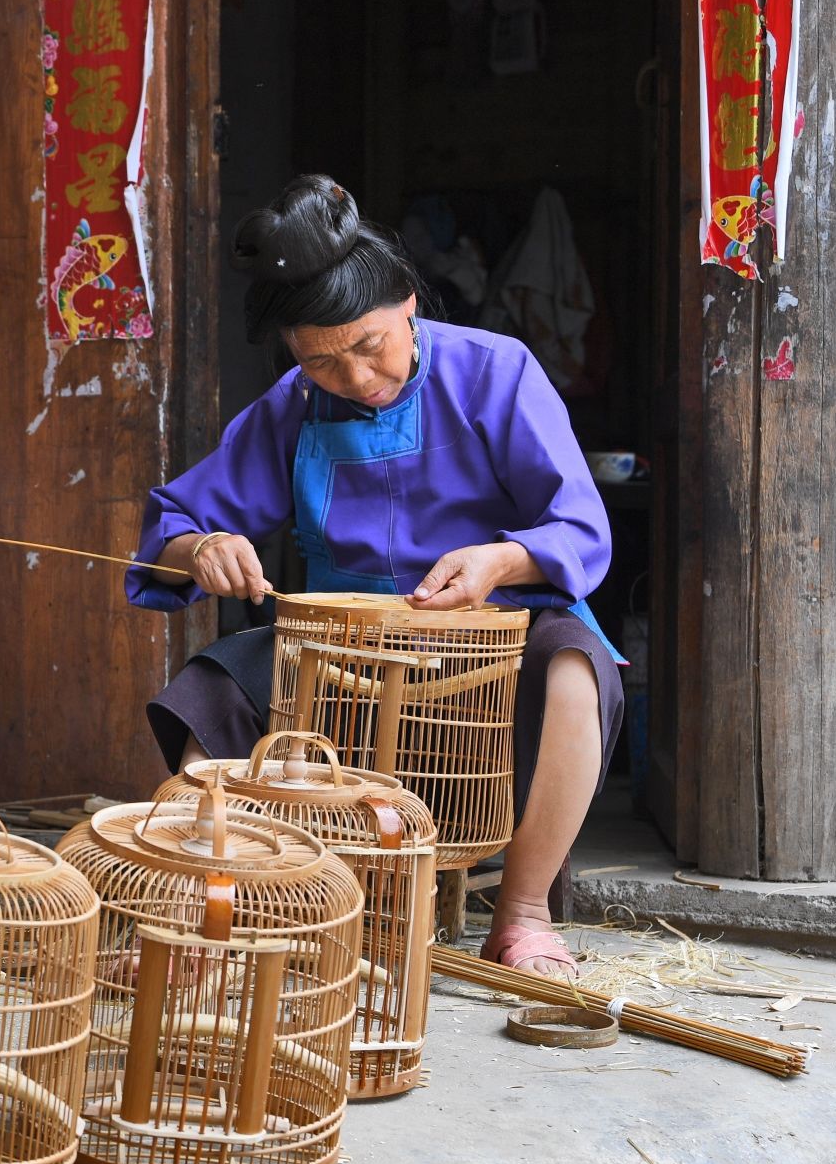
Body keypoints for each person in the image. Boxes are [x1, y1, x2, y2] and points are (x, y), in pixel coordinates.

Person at [124, 175, 623, 976]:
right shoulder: (291, 406)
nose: (354, 379)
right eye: (320, 361)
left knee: (573, 668)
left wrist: (501, 558)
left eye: (368, 345)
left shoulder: (498, 373)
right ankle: (203, 916)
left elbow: (580, 527)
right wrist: (202, 548)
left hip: (491, 629)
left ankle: (523, 917)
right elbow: (172, 527)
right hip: (338, 644)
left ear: (408, 306)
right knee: (214, 687)